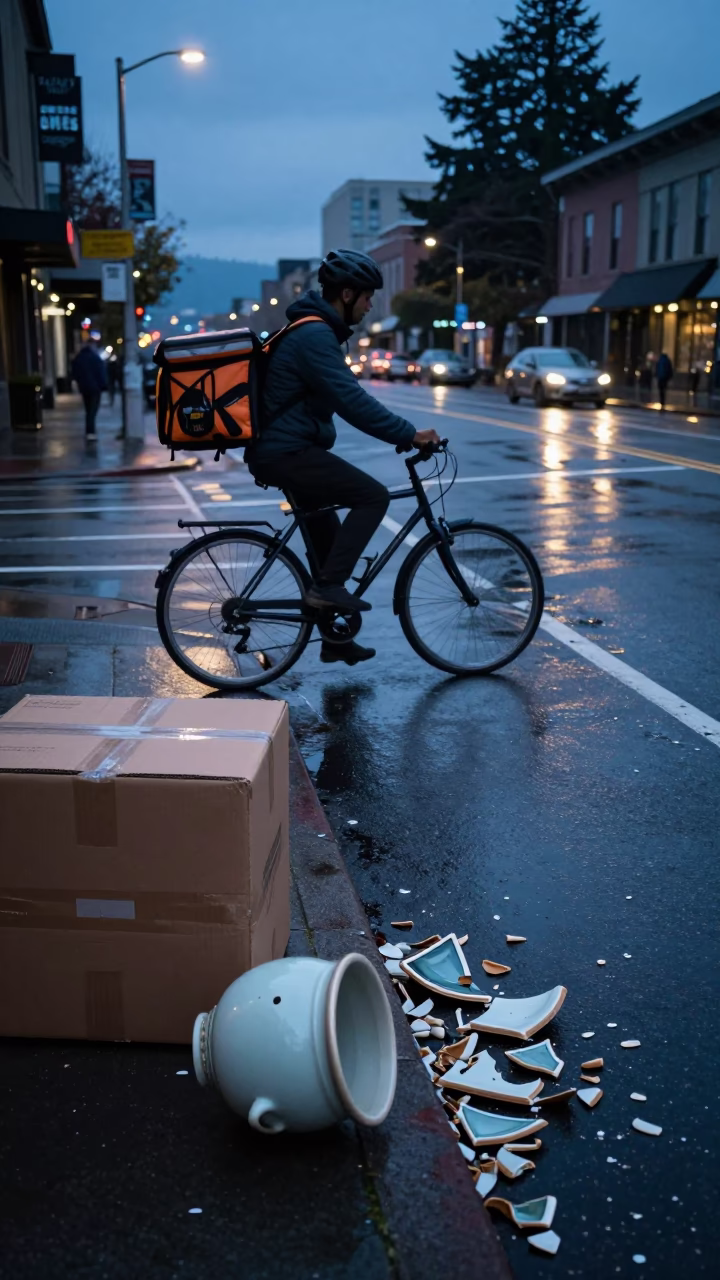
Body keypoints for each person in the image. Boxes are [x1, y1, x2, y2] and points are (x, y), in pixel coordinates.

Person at [245, 248, 440, 666]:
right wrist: (407, 434)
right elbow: (351, 400)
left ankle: (334, 637)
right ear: (347, 293)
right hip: (286, 452)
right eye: (368, 297)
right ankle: (325, 592)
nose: (371, 306)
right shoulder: (314, 335)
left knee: (330, 547)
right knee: (372, 496)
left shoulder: (315, 330)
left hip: (288, 449)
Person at [71, 340, 108, 438]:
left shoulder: (79, 358)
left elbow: (75, 372)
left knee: (88, 409)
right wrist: (103, 385)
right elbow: (101, 372)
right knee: (92, 410)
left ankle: (90, 430)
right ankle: (90, 431)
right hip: (95, 388)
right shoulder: (95, 358)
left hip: (84, 387)